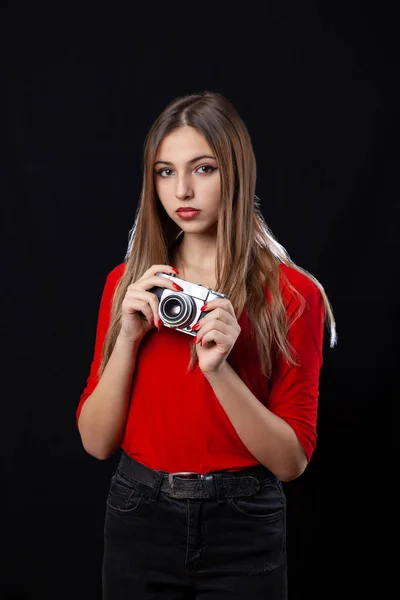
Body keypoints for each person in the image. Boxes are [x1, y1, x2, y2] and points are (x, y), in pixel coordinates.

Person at [76, 90, 336, 600]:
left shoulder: (293, 295)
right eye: (165, 172)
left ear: (236, 171)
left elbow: (291, 462)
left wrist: (219, 369)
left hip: (244, 523)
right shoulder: (128, 285)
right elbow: (96, 441)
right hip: (138, 513)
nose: (183, 190)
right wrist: (128, 338)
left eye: (204, 168)